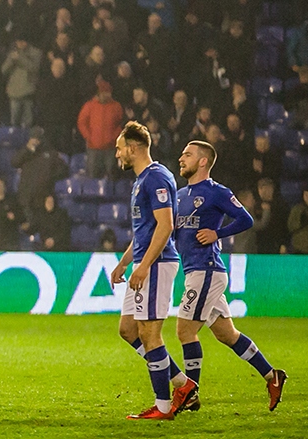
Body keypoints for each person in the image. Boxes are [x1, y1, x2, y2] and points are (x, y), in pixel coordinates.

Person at [174, 140, 287, 412]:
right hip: (194, 270)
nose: (181, 158)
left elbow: (245, 219)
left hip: (207, 270)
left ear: (203, 161)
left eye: (187, 155)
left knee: (185, 331)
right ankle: (273, 376)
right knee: (227, 334)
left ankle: (190, 393)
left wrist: (217, 233)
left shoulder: (216, 192)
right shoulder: (179, 195)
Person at [110, 121, 196, 420]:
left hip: (158, 263)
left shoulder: (156, 177)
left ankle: (163, 407)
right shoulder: (141, 180)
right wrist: (124, 262)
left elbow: (166, 226)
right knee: (128, 329)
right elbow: (145, 231)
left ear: (133, 149)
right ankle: (183, 385)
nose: (117, 154)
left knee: (150, 334)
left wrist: (143, 266)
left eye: (120, 148)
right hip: (146, 261)